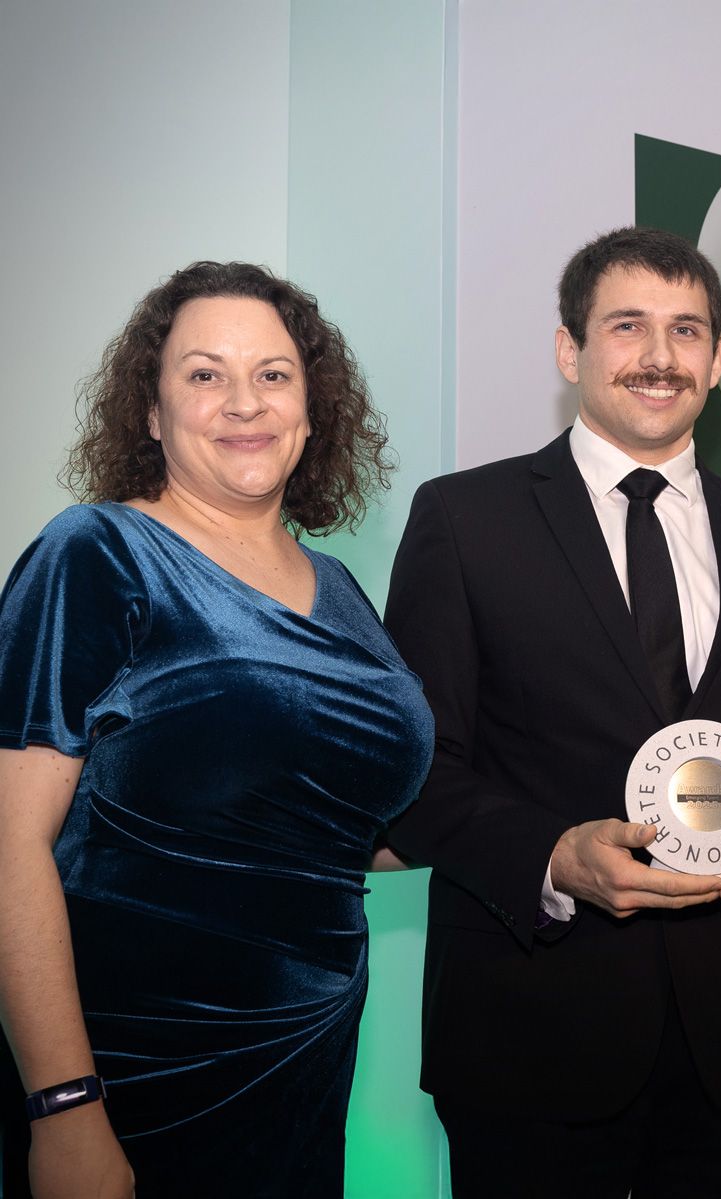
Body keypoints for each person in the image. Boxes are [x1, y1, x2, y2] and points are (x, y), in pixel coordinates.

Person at [383, 226, 721, 1198]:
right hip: (533, 1039)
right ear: (571, 350)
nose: (659, 356)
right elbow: (414, 770)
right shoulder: (464, 520)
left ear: (717, 361)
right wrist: (552, 857)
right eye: (628, 325)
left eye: (687, 330)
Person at [0, 261, 433, 1198]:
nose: (245, 401)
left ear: (312, 409)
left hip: (307, 1063)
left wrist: (536, 826)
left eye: (274, 374)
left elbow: (334, 834)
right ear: (151, 413)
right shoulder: (96, 553)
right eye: (205, 374)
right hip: (134, 1069)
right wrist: (64, 1105)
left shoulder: (342, 591)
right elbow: (8, 843)